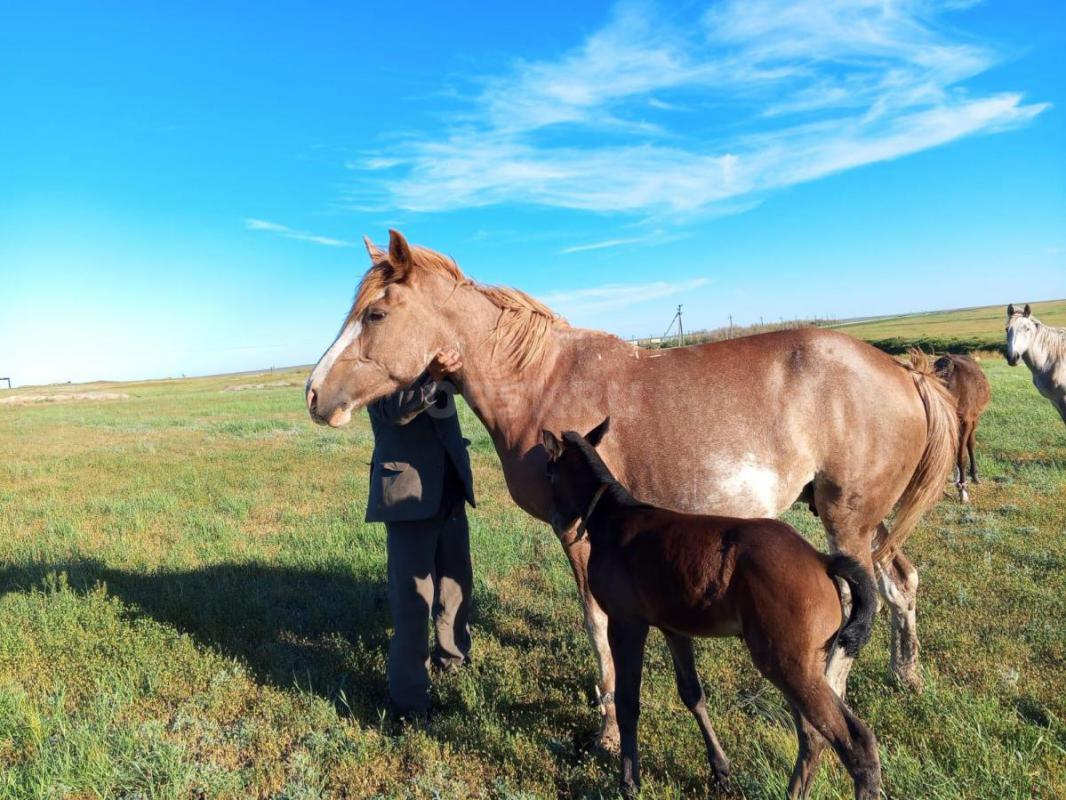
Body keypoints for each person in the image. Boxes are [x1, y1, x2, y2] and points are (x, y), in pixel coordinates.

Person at [365, 347, 475, 720]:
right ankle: (408, 701)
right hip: (408, 494)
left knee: (456, 585)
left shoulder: (433, 357)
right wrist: (432, 374)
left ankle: (452, 658)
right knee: (413, 600)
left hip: (448, 487)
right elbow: (392, 411)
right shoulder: (376, 365)